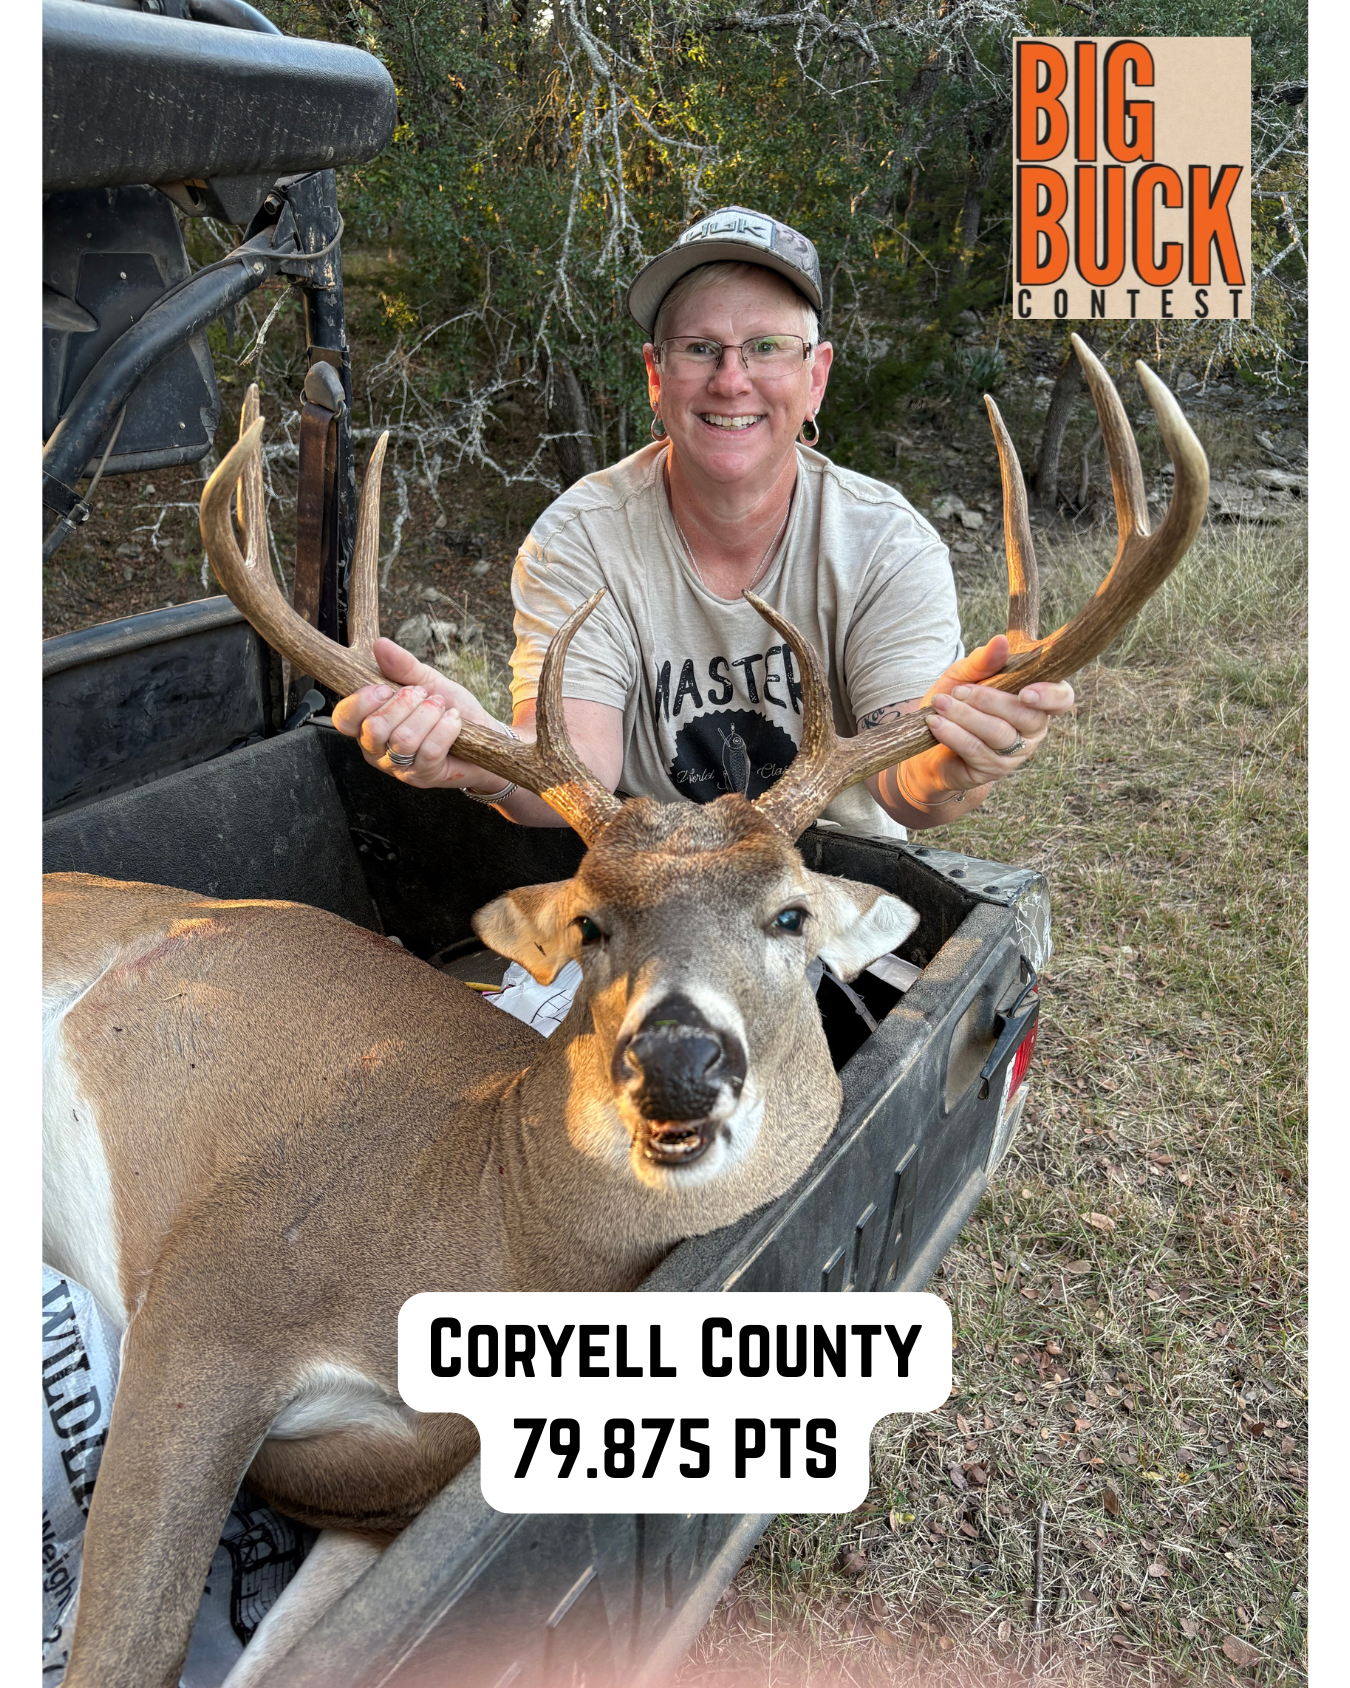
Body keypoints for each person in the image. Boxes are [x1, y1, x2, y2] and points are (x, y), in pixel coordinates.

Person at [332, 207, 1073, 835]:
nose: (731, 378)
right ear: (657, 376)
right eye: (699, 349)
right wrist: (481, 756)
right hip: (657, 893)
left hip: (831, 892)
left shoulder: (885, 545)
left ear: (816, 378)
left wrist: (956, 761)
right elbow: (577, 767)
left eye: (767, 348)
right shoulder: (581, 540)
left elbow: (906, 784)